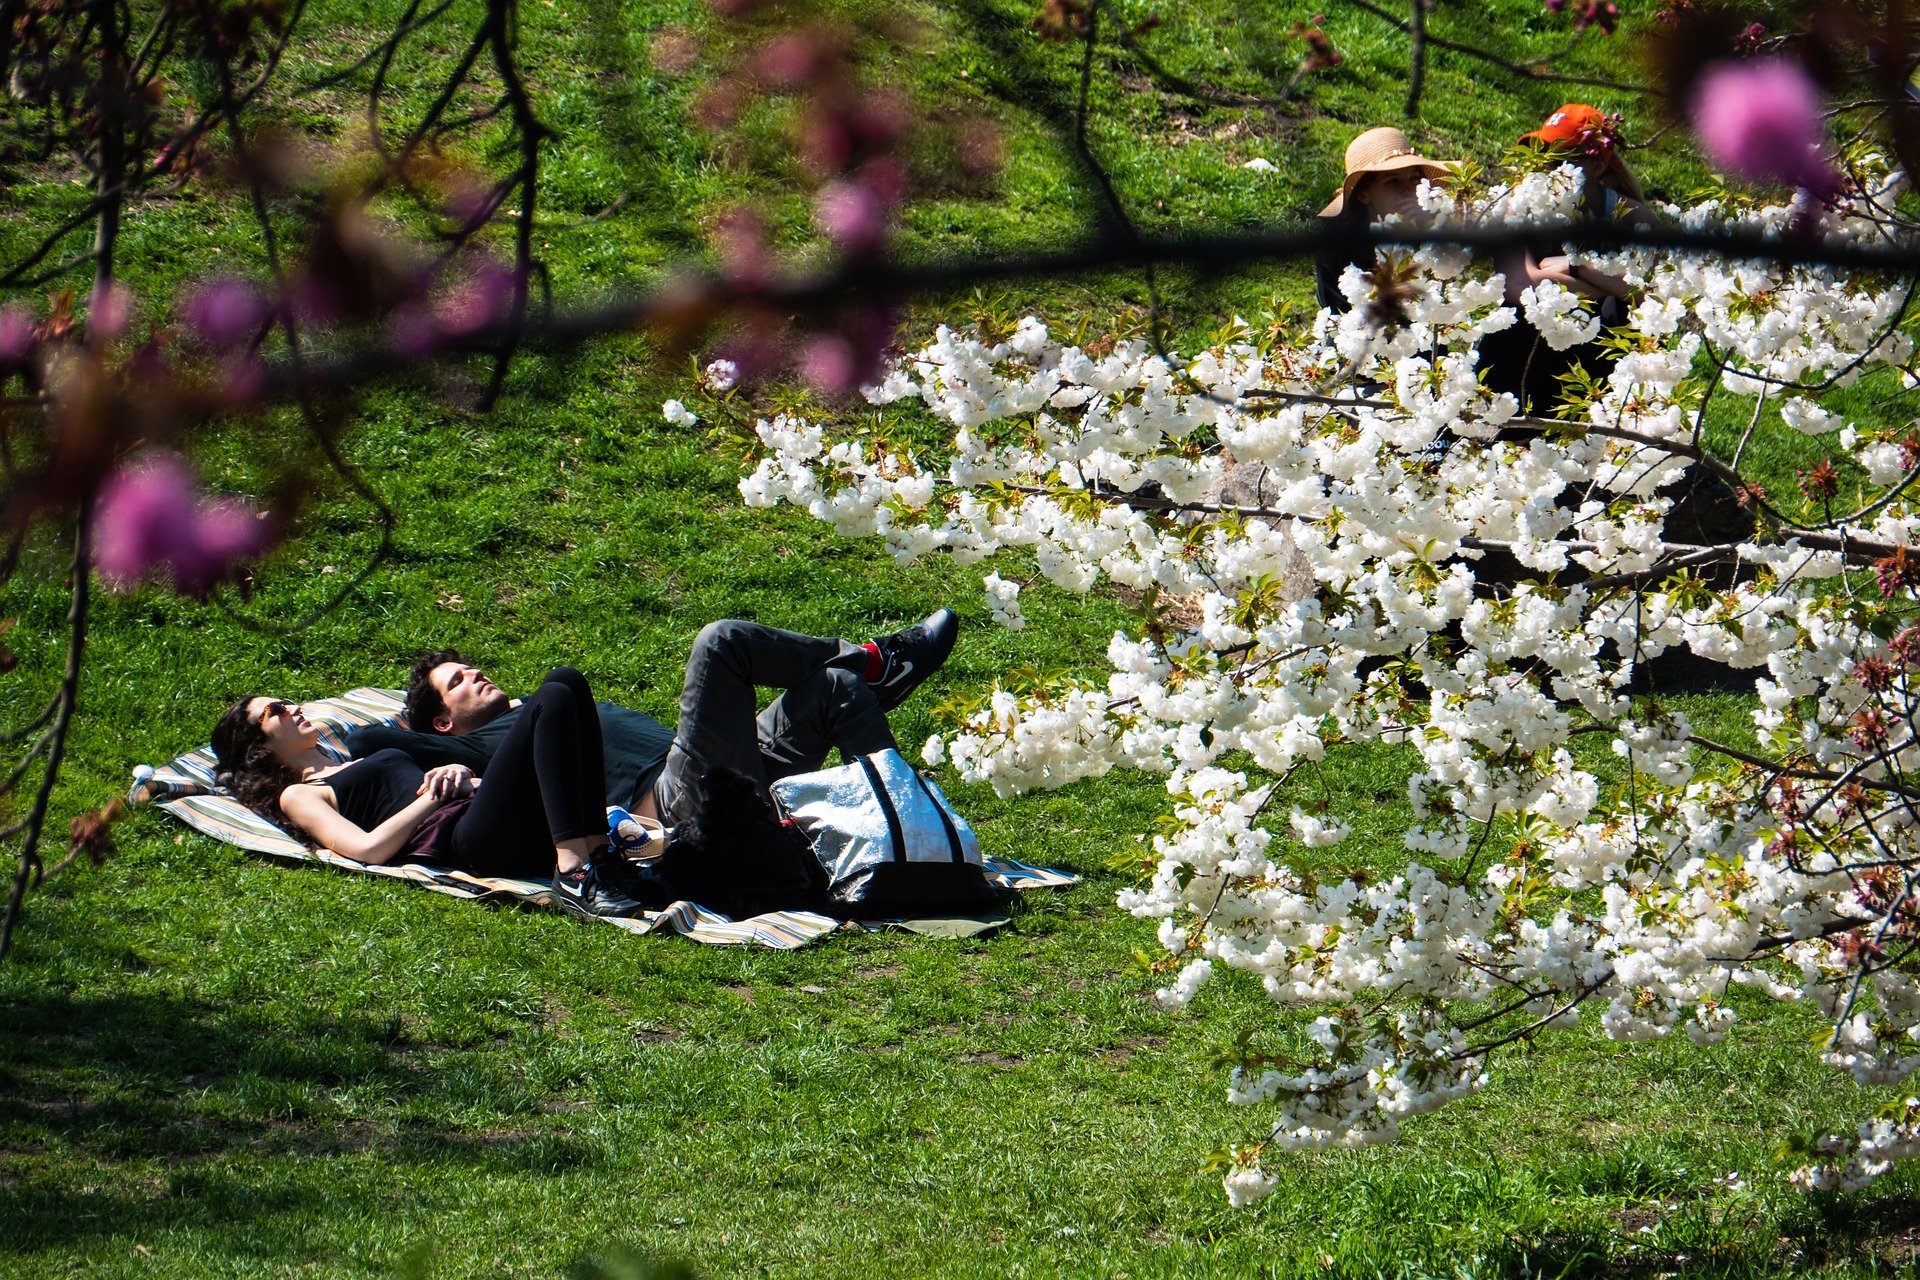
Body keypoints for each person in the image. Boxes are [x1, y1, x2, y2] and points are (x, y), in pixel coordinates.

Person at [350, 611, 961, 918]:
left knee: (832, 689)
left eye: (470, 667)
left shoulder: (544, 707)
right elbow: (368, 741)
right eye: (457, 682)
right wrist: (405, 732)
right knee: (720, 642)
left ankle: (905, 838)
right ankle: (879, 664)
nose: (475, 674)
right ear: (441, 723)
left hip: (719, 767)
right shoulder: (476, 746)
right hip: (676, 801)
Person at [212, 667, 647, 918]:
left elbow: (435, 785)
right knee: (553, 693)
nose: (293, 707)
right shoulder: (301, 794)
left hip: (483, 812)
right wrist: (432, 798)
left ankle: (598, 860)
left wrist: (456, 771)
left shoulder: (351, 762)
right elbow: (368, 849)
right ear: (258, 748)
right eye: (275, 711)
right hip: (469, 840)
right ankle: (574, 872)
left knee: (568, 684)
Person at [1481, 104, 1656, 415]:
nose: (1547, 170)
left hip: (1593, 368)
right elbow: (1518, 286)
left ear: (1599, 166)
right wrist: (1611, 284)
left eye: (1560, 160)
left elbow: (1650, 300)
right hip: (1514, 355)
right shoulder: (1520, 205)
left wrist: (1576, 265)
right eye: (1541, 158)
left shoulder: (1631, 219)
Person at [1315, 126, 1458, 314]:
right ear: (1364, 194)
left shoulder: (1439, 223)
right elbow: (1342, 313)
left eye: (1414, 178)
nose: (1410, 190)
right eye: (1393, 181)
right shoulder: (1336, 248)